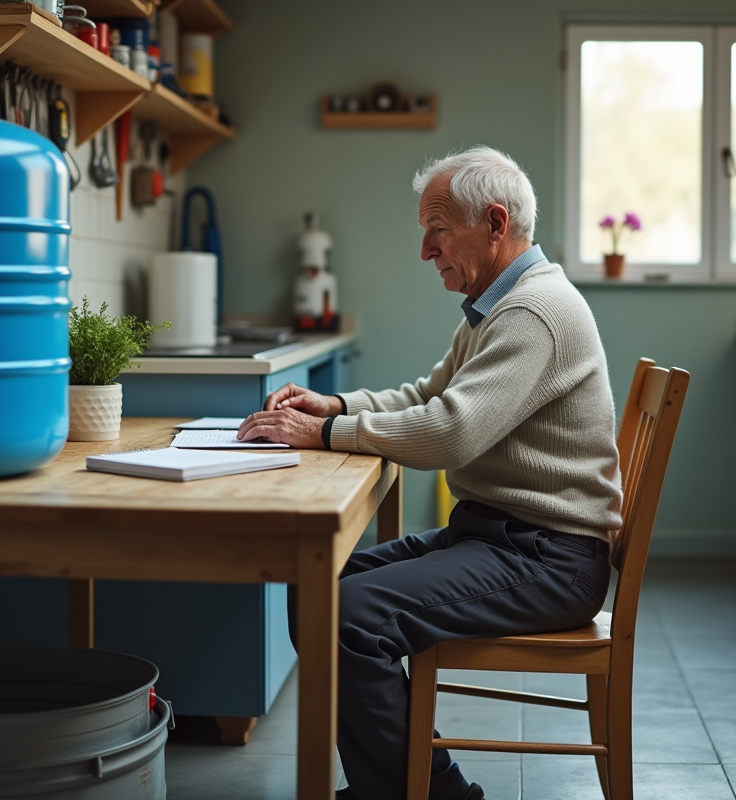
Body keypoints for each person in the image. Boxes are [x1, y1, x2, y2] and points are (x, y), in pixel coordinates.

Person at [237, 146, 623, 800]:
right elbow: (429, 397)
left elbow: (451, 430)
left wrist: (326, 432)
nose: (426, 249)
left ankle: (429, 795)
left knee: (350, 614)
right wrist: (335, 405)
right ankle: (407, 785)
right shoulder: (494, 307)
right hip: (502, 537)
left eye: (438, 229)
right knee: (319, 584)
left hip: (547, 556)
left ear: (495, 224)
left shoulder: (532, 312)